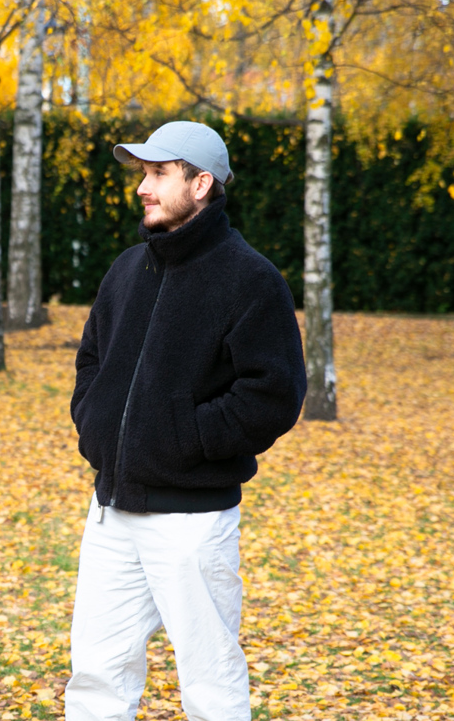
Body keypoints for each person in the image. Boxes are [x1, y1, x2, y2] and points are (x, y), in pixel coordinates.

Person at [66, 121, 306, 721]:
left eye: (158, 173)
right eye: (143, 174)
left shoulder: (251, 280)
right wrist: (95, 423)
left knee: (210, 682)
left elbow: (273, 395)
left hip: (193, 521)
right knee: (96, 673)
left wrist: (185, 438)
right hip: (111, 513)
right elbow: (91, 359)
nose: (144, 187)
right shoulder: (126, 269)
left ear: (201, 184)